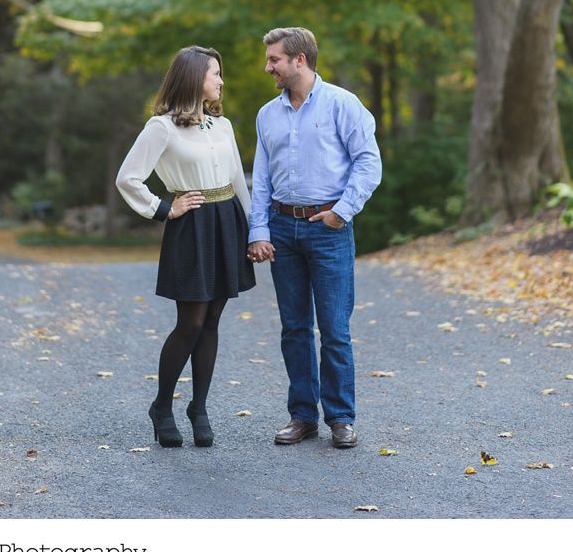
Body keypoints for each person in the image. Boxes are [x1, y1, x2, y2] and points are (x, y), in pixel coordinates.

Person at [246, 27, 382, 449]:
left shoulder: (343, 104)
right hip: (283, 229)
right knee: (294, 328)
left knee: (335, 327)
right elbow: (262, 178)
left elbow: (368, 163)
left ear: (299, 60)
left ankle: (340, 417)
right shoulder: (267, 114)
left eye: (275, 60)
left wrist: (341, 214)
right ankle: (302, 416)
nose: (268, 67)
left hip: (328, 229)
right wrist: (259, 230)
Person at [116, 45, 255, 448]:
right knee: (191, 322)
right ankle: (162, 406)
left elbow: (237, 181)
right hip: (191, 225)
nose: (221, 81)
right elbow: (128, 177)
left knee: (211, 321)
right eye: (215, 73)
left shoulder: (222, 126)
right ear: (195, 78)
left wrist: (253, 230)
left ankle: (200, 407)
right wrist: (164, 208)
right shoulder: (162, 127)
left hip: (227, 221)